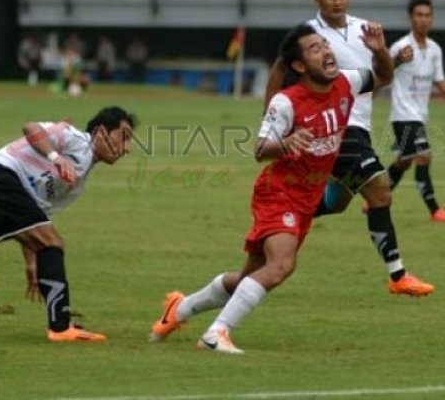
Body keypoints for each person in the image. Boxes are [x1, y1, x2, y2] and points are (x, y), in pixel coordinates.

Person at [149, 23, 391, 354]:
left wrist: (379, 51)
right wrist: (286, 142)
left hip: (306, 197)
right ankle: (216, 334)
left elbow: (384, 76)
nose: (326, 50)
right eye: (315, 48)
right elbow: (260, 149)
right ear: (300, 65)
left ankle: (178, 309)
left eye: (325, 44)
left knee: (248, 278)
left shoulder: (347, 82)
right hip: (279, 193)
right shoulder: (287, 102)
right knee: (281, 266)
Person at [264, 0, 434, 297]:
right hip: (333, 128)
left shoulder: (363, 29)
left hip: (359, 127)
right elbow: (279, 69)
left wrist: (383, 51)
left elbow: (381, 76)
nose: (336, 2)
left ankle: (283, 218)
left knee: (339, 201)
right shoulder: (308, 35)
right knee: (380, 191)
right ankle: (398, 276)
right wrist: (270, 117)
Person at [0, 106, 137, 346]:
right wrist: (56, 156)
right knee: (53, 242)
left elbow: (35, 215)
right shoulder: (75, 139)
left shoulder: (78, 181)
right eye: (123, 136)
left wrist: (32, 262)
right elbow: (30, 128)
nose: (126, 148)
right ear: (100, 131)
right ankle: (61, 327)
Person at [387, 0, 445, 222]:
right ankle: (435, 210)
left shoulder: (434, 49)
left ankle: (377, 197)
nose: (424, 20)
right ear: (410, 18)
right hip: (403, 115)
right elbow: (382, 72)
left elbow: (440, 81)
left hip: (419, 116)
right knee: (424, 156)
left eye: (427, 15)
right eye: (419, 15)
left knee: (404, 161)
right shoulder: (400, 48)